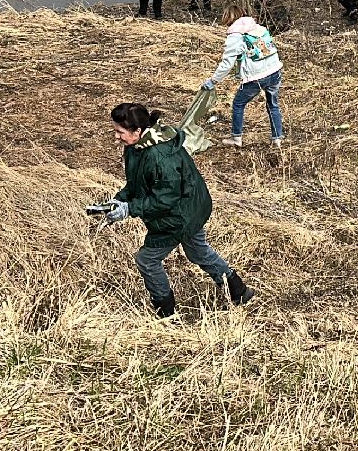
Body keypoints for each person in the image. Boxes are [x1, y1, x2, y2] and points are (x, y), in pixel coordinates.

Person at [100, 101, 254, 316]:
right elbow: (137, 184)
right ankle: (239, 292)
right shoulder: (136, 147)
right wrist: (118, 201)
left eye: (120, 132)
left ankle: (166, 312)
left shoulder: (160, 157)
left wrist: (130, 209)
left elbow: (165, 200)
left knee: (147, 260)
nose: (116, 137)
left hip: (181, 214)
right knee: (199, 252)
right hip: (185, 209)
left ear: (138, 131)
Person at [202, 10, 285, 148]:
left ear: (228, 19)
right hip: (275, 70)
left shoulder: (235, 36)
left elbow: (227, 64)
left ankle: (236, 138)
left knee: (238, 104)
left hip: (257, 76)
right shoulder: (258, 27)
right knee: (273, 105)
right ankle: (277, 139)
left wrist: (213, 81)